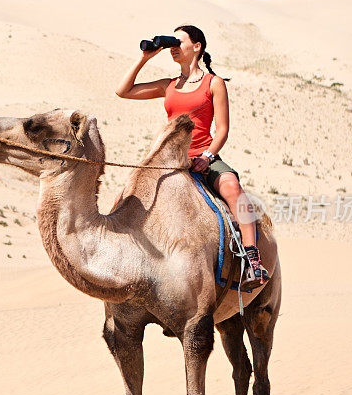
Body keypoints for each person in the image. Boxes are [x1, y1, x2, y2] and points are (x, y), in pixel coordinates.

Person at [115, 24, 269, 291]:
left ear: (197, 47)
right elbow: (123, 91)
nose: (174, 47)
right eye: (172, 43)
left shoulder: (213, 83)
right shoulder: (169, 85)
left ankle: (252, 259)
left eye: (179, 42)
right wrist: (145, 58)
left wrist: (208, 157)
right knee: (125, 196)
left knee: (233, 189)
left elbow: (222, 130)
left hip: (203, 157)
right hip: (169, 160)